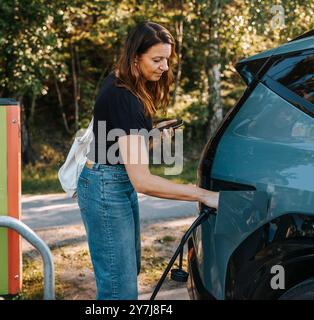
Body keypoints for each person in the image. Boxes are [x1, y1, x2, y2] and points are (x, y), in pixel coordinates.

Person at [76, 22, 219, 300]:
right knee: (119, 289)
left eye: (167, 59)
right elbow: (142, 180)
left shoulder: (125, 84)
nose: (164, 67)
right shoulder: (123, 97)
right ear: (134, 58)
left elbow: (116, 144)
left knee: (126, 274)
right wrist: (204, 195)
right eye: (156, 59)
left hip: (112, 180)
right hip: (107, 187)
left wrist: (150, 135)